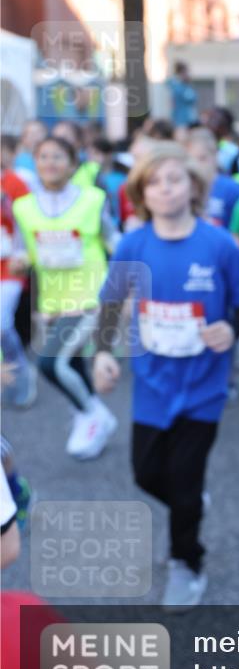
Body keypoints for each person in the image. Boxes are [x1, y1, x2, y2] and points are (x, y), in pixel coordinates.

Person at [93, 142, 239, 609]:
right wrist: (103, 353)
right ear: (142, 194)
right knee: (146, 474)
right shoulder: (133, 243)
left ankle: (188, 562)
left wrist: (232, 326)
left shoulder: (218, 244)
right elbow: (111, 302)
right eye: (155, 182)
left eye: (175, 179)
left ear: (194, 187)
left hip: (204, 386)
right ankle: (189, 506)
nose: (165, 189)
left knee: (185, 483)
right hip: (150, 383)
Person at [11, 135, 118, 458]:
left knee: (49, 363)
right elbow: (25, 250)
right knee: (71, 363)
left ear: (73, 164)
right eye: (43, 157)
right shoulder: (23, 207)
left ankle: (94, 415)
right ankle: (89, 417)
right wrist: (20, 261)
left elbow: (114, 240)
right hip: (52, 301)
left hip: (90, 294)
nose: (50, 163)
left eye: (58, 157)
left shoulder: (93, 199)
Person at [1, 136, 37, 408]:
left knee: (1, 323)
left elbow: (29, 222)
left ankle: (22, 370)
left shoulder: (14, 182)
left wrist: (23, 256)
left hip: (10, 264)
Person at [186, 127, 239, 230]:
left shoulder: (231, 189)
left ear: (215, 156)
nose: (197, 165)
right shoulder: (184, 188)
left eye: (202, 158)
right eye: (191, 159)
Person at [167, 62, 198, 128]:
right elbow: (190, 98)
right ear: (181, 73)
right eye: (186, 72)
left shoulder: (185, 86)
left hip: (187, 120)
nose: (189, 74)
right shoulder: (177, 87)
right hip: (181, 121)